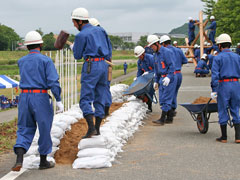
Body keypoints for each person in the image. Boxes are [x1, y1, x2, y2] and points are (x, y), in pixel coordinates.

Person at [12, 31, 63, 171]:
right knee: (44, 129)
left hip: (24, 97)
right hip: (40, 97)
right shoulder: (46, 60)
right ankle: (43, 161)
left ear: (27, 46)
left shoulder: (21, 61)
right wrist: (58, 99)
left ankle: (19, 160)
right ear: (41, 44)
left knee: (24, 128)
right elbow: (53, 81)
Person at [71, 7, 112, 138]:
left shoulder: (81, 35)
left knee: (85, 98)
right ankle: (98, 128)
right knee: (100, 95)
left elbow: (77, 55)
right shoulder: (101, 30)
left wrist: (73, 47)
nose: (74, 25)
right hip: (103, 64)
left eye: (74, 22)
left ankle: (91, 128)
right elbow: (109, 48)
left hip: (91, 65)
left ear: (79, 22)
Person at [211, 33, 240, 143]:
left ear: (219, 46)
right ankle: (238, 137)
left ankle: (224, 137)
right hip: (236, 84)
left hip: (224, 85)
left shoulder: (218, 58)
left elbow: (215, 75)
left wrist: (214, 89)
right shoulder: (237, 57)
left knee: (222, 109)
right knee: (235, 109)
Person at [147, 35, 176, 126]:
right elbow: (156, 69)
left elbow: (172, 66)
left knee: (166, 99)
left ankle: (162, 119)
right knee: (162, 99)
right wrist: (156, 80)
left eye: (152, 46)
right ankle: (170, 116)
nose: (151, 48)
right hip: (161, 78)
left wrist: (169, 77)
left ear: (157, 43)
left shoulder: (167, 52)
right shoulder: (155, 55)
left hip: (168, 78)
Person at [89, 17, 113, 118]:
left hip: (101, 64)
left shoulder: (97, 36)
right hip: (106, 63)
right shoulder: (103, 34)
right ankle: (105, 109)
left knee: (101, 87)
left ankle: (104, 109)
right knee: (104, 87)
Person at [160, 35, 188, 119]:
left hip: (170, 75)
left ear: (164, 44)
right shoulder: (178, 50)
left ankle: (169, 112)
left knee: (167, 94)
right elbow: (185, 61)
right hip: (178, 74)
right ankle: (172, 109)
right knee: (174, 93)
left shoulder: (165, 51)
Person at [134, 45, 155, 113]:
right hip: (146, 77)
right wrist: (137, 78)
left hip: (154, 76)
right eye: (138, 56)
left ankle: (149, 107)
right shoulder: (139, 62)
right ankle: (144, 101)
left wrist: (149, 72)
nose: (139, 57)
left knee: (149, 89)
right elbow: (140, 71)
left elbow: (156, 69)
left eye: (140, 56)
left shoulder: (151, 58)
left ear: (143, 53)